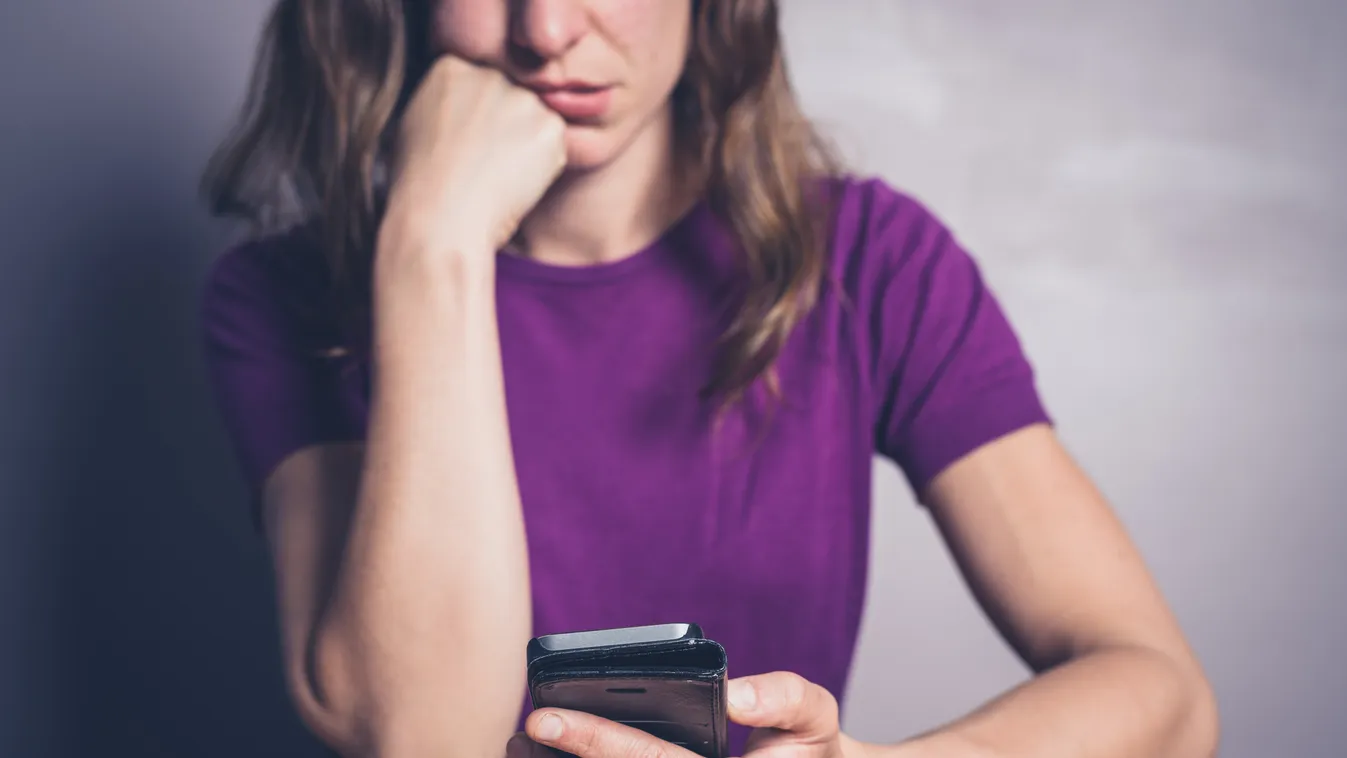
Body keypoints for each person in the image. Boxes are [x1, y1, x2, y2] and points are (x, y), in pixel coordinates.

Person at [198, 1, 1219, 757]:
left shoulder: (870, 260)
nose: (548, 29)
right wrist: (434, 243)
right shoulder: (285, 299)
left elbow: (1165, 698)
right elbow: (420, 739)